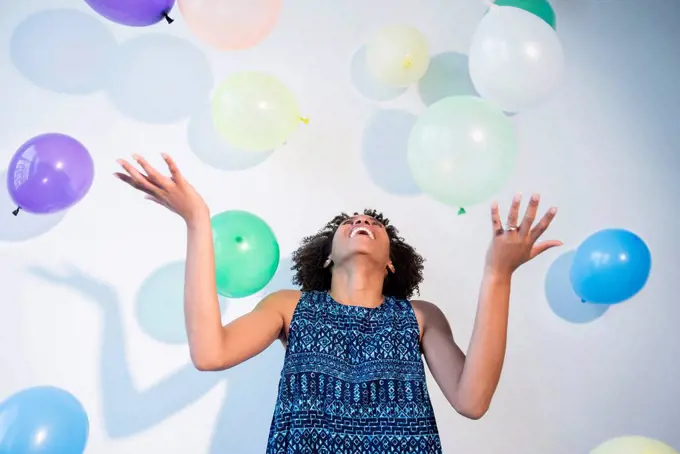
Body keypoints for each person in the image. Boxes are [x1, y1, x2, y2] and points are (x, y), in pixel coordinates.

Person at [115, 153, 562, 453]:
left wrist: (497, 273)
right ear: (327, 255)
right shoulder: (290, 307)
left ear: (391, 264)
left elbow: (473, 399)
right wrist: (197, 221)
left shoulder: (419, 317)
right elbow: (210, 353)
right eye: (350, 222)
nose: (362, 220)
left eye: (374, 223)